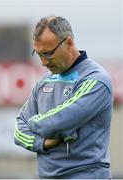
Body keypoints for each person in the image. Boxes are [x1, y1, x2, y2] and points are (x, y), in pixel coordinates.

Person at [14, 16, 113, 179]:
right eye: (39, 54)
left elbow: (58, 121)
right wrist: (42, 143)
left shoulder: (96, 79)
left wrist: (31, 123)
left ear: (69, 43)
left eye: (48, 53)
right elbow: (18, 130)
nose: (44, 62)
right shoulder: (44, 82)